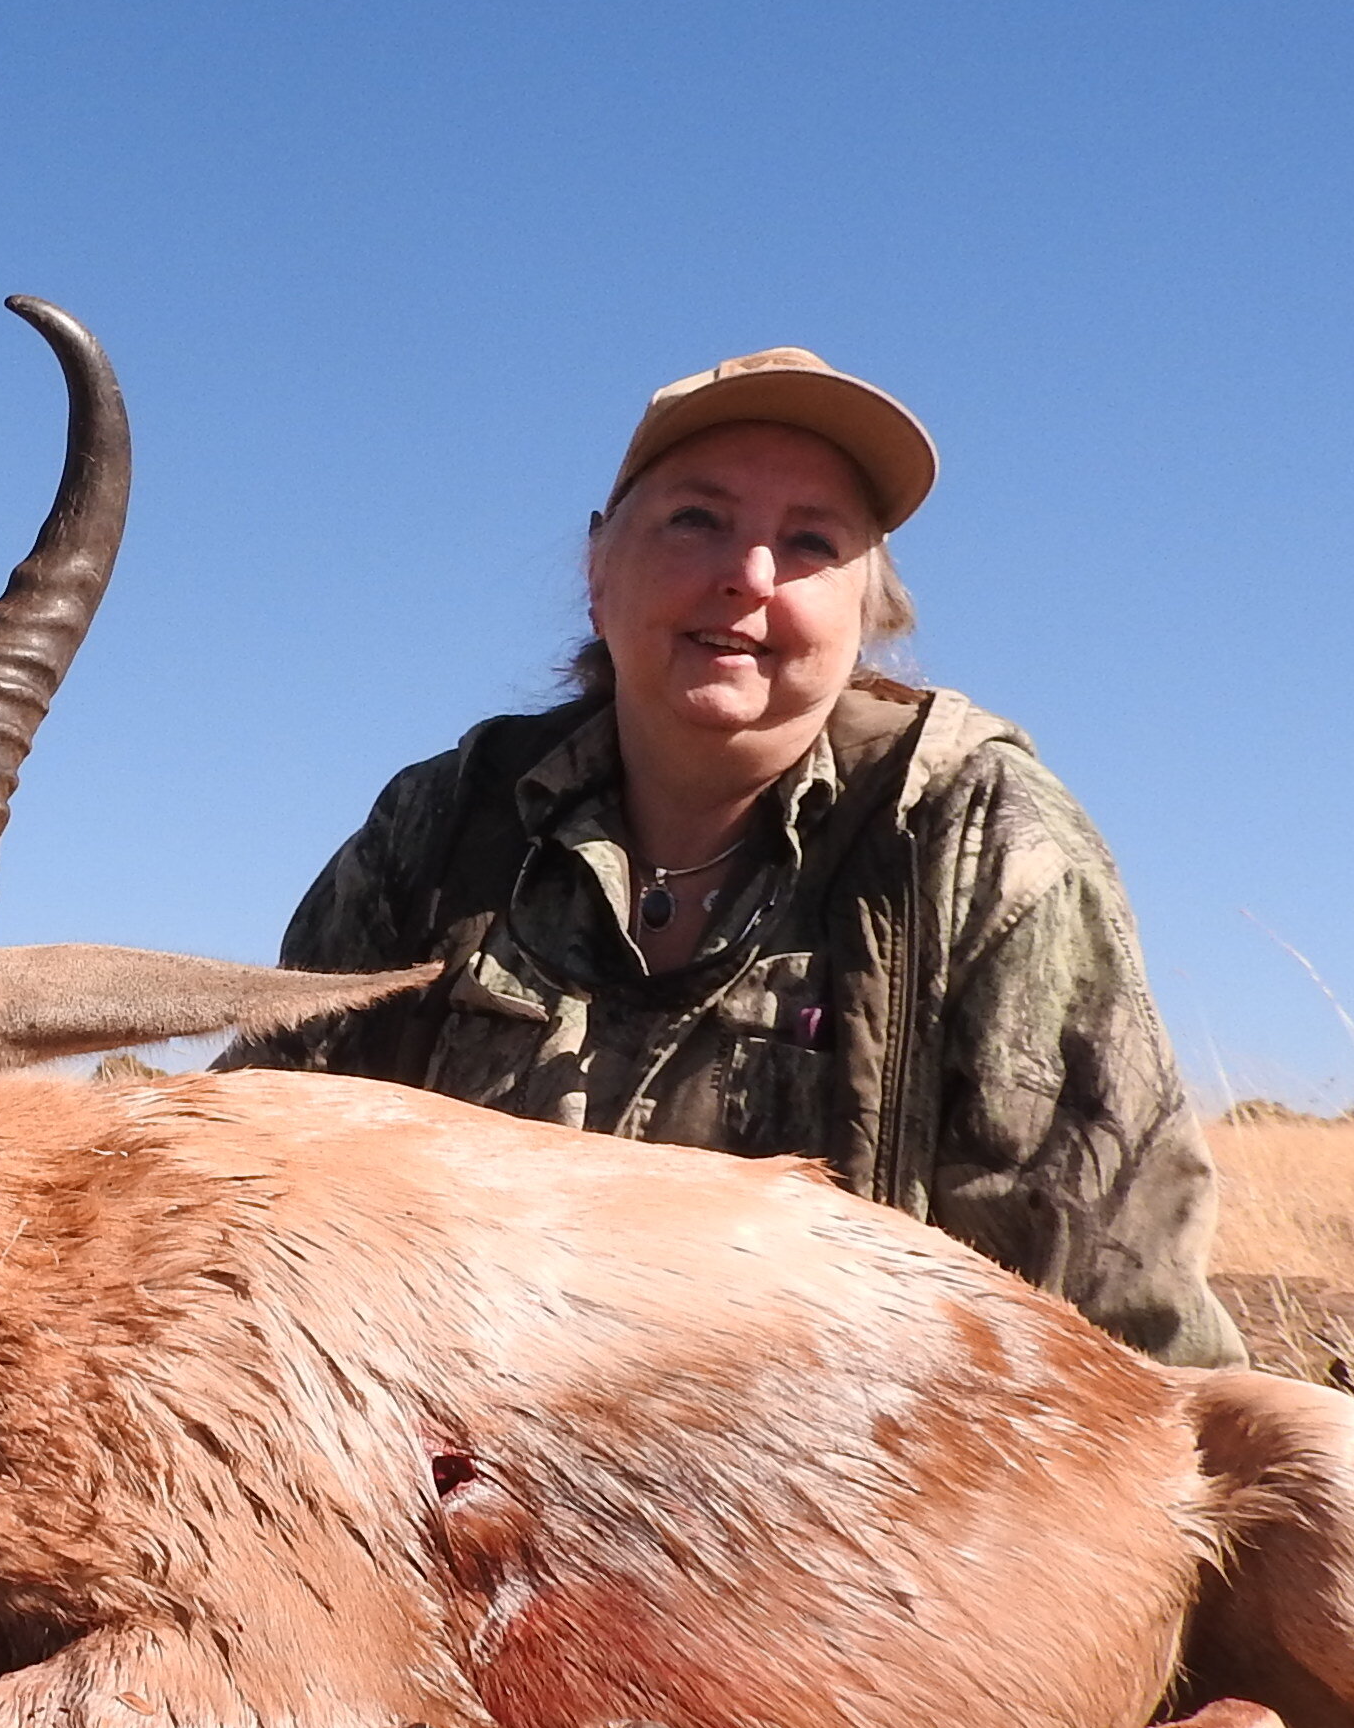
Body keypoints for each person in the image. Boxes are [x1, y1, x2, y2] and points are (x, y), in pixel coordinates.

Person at [230, 345, 1239, 1368]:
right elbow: (251, 1171)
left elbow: (1123, 1334)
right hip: (440, 1467)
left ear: (868, 613)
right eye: (697, 520)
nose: (747, 576)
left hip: (836, 1491)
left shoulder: (981, 837)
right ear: (597, 568)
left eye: (810, 543)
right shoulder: (441, 823)